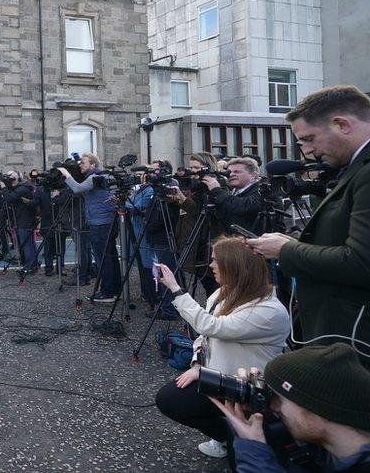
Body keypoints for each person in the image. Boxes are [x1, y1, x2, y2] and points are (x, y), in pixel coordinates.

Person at [246, 85, 370, 366]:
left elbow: (362, 261)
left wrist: (288, 250)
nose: (308, 152)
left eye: (309, 139)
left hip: (354, 341)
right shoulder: (355, 167)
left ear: (342, 124)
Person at [153, 236, 291, 461]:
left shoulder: (269, 311)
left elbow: (212, 326)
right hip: (221, 380)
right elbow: (205, 335)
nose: (211, 265)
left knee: (244, 462)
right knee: (170, 399)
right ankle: (229, 435)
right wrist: (198, 366)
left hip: (250, 388)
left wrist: (176, 290)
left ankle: (252, 436)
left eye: (217, 261)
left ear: (234, 266)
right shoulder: (224, 293)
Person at [211, 343, 370, 472]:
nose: (273, 406)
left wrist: (254, 454)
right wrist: (255, 413)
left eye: (279, 399)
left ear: (316, 410)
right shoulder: (332, 453)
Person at [57, 153, 120, 302]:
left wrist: (66, 174)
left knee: (102, 258)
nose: (80, 165)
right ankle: (114, 289)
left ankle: (107, 292)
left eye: (83, 162)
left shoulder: (94, 178)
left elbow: (77, 189)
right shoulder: (102, 177)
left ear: (93, 165)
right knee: (110, 257)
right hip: (106, 221)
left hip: (99, 223)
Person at [128, 160, 181, 319]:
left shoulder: (168, 188)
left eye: (154, 171)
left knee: (167, 272)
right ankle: (166, 306)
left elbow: (145, 210)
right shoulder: (151, 189)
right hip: (153, 234)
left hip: (162, 235)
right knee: (158, 271)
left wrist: (148, 224)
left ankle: (170, 309)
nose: (149, 174)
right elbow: (132, 204)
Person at [169, 152, 224, 298]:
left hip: (206, 241)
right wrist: (179, 199)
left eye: (196, 167)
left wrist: (184, 201)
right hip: (193, 239)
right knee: (206, 284)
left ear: (208, 167)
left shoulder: (215, 186)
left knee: (214, 287)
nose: (192, 171)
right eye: (191, 167)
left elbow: (204, 213)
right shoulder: (196, 186)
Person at [204, 156, 263, 234]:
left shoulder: (262, 191)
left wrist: (216, 190)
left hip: (254, 242)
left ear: (253, 175)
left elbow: (242, 206)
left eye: (237, 172)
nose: (231, 175)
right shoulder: (231, 193)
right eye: (229, 172)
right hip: (229, 241)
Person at [5, 171, 39, 272]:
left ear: (18, 179)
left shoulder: (22, 189)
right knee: (29, 244)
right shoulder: (22, 187)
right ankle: (32, 264)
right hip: (23, 219)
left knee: (27, 244)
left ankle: (29, 266)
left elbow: (9, 198)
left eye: (12, 178)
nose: (10, 180)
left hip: (25, 220)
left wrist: (3, 188)